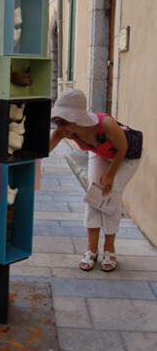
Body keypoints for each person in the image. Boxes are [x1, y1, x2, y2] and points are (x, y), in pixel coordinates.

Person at [49, 89, 141, 272]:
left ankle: (109, 249)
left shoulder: (105, 124)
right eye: (56, 121)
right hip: (99, 154)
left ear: (76, 117)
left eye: (63, 121)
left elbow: (122, 148)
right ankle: (91, 249)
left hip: (125, 157)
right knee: (94, 197)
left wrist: (110, 174)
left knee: (109, 197)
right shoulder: (65, 131)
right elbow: (43, 151)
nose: (59, 126)